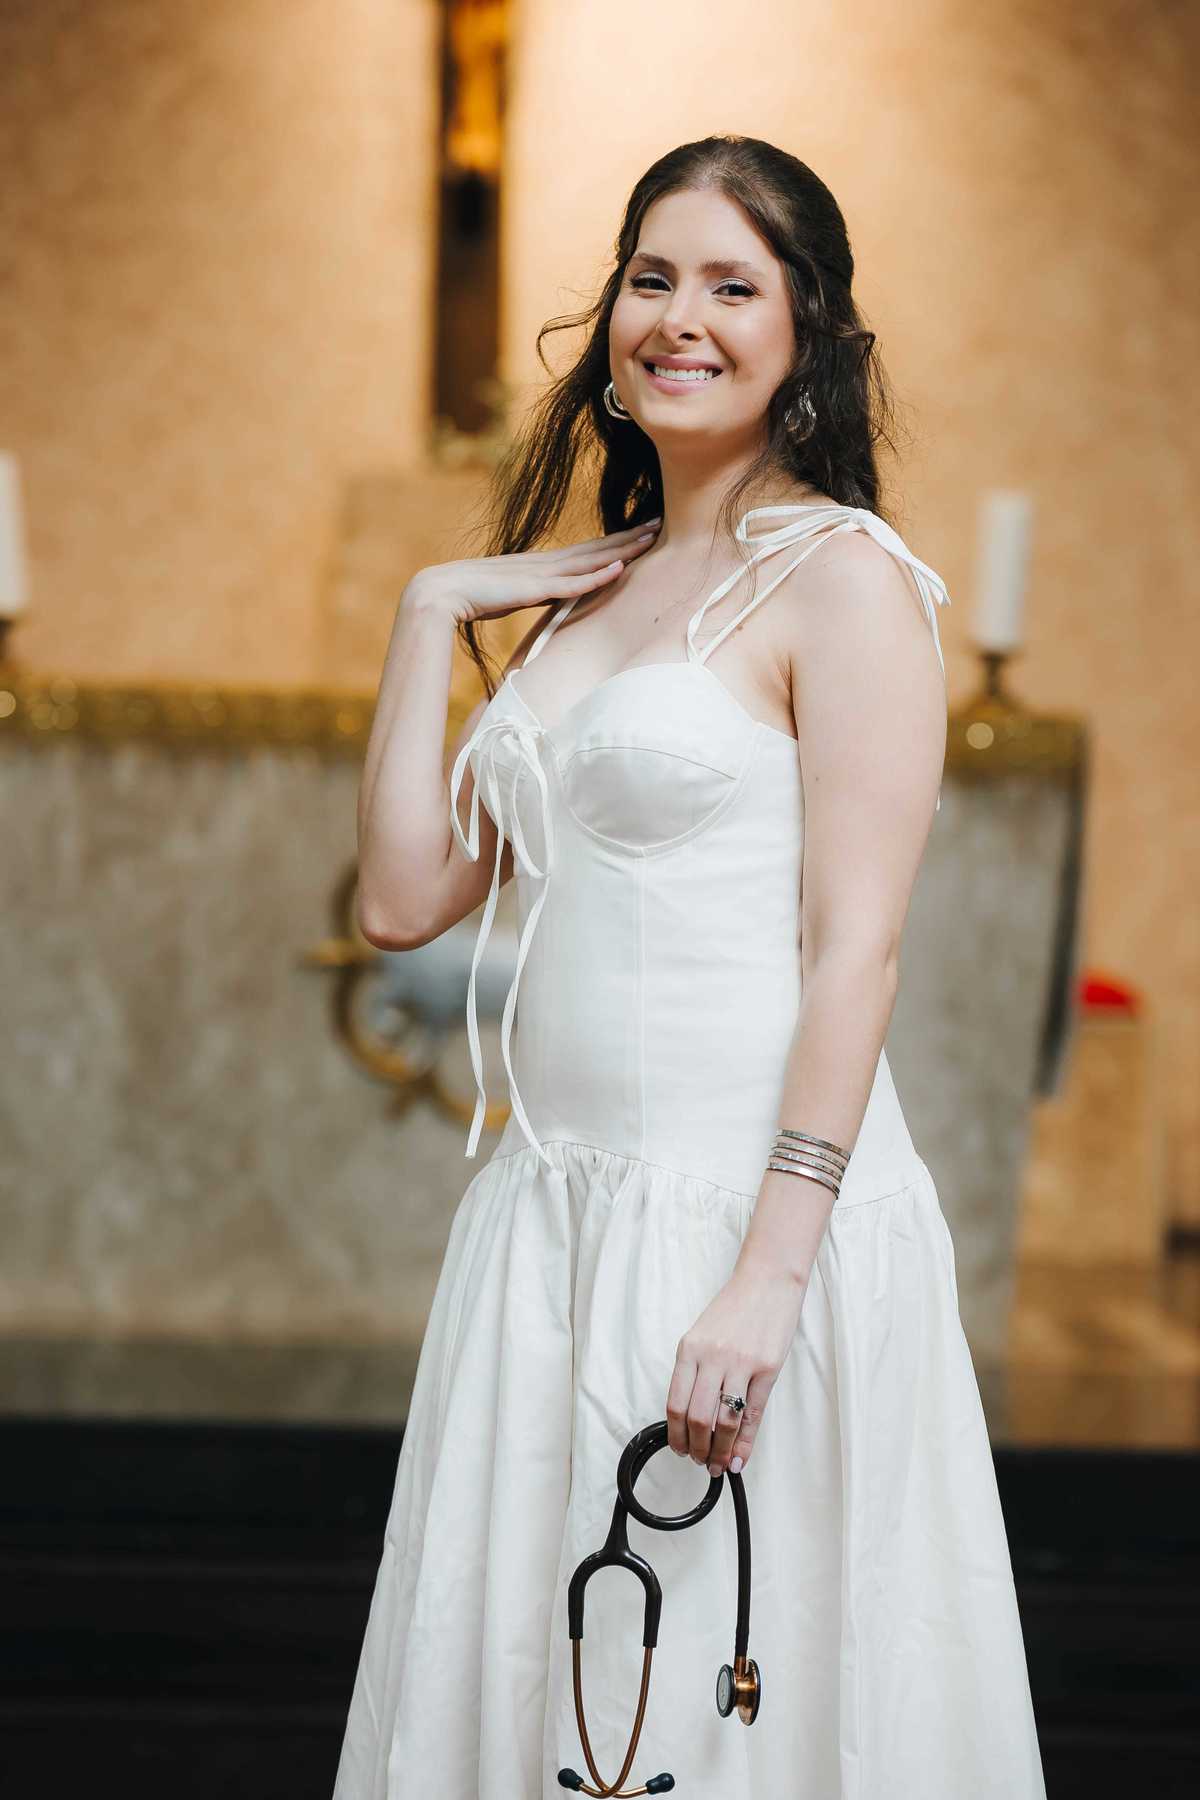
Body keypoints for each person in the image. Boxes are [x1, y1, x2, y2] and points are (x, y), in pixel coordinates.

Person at [336, 134, 1047, 1799]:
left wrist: (769, 1279)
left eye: (734, 285)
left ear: (809, 332)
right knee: (543, 1684)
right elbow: (402, 895)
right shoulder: (588, 599)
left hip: (741, 1222)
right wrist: (431, 612)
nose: (683, 318)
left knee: (722, 1697)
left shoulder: (845, 582)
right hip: (555, 1222)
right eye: (653, 278)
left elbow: (857, 946)